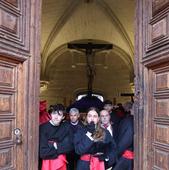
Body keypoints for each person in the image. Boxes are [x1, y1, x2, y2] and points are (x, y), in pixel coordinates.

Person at [39, 104, 73, 170]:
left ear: (63, 117)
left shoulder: (66, 127)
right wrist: (60, 146)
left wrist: (53, 145)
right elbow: (43, 153)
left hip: (61, 163)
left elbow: (70, 147)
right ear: (51, 114)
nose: (56, 117)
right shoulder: (43, 128)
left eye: (59, 115)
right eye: (54, 113)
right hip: (47, 164)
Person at [113, 101, 134, 170]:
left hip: (127, 155)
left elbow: (126, 140)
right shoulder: (129, 119)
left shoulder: (128, 120)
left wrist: (117, 152)